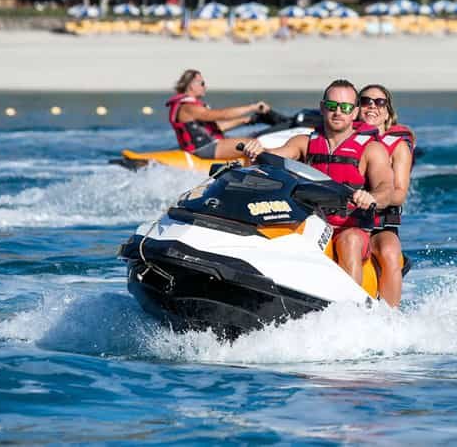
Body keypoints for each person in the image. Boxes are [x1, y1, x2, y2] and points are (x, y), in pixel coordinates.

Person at [242, 79, 393, 286]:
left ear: (355, 111)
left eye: (346, 107)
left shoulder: (372, 149)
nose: (338, 112)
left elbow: (386, 188)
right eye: (332, 106)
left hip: (349, 229)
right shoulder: (304, 142)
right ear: (322, 108)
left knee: (350, 241)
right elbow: (276, 158)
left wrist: (371, 197)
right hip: (312, 222)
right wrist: (257, 153)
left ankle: (351, 310)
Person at [357, 84, 415, 307]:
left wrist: (374, 198)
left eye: (380, 102)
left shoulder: (398, 147)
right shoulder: (341, 140)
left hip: (379, 224)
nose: (372, 106)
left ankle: (390, 318)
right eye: (365, 101)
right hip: (339, 219)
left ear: (388, 112)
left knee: (389, 250)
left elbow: (399, 194)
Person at [167, 69, 272, 159]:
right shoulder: (188, 108)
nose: (205, 87)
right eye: (202, 83)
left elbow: (218, 127)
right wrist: (253, 107)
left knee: (253, 140)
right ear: (191, 85)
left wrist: (245, 120)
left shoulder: (191, 106)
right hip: (203, 148)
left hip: (209, 144)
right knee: (252, 144)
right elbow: (222, 114)